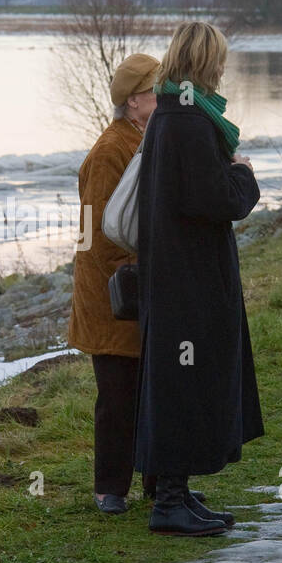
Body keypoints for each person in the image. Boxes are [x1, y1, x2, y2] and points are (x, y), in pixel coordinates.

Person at [135, 21, 262, 536]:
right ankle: (169, 501)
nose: (223, 68)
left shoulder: (169, 115)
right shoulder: (188, 121)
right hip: (190, 277)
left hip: (174, 271)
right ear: (205, 61)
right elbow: (217, 200)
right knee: (184, 383)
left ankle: (177, 491)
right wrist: (243, 172)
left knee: (178, 381)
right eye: (219, 60)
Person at [68, 53, 162, 515]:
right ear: (132, 102)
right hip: (111, 295)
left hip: (136, 288)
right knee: (118, 398)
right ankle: (109, 488)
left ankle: (158, 483)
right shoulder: (110, 150)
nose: (162, 97)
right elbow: (98, 230)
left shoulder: (142, 138)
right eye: (153, 91)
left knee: (152, 392)